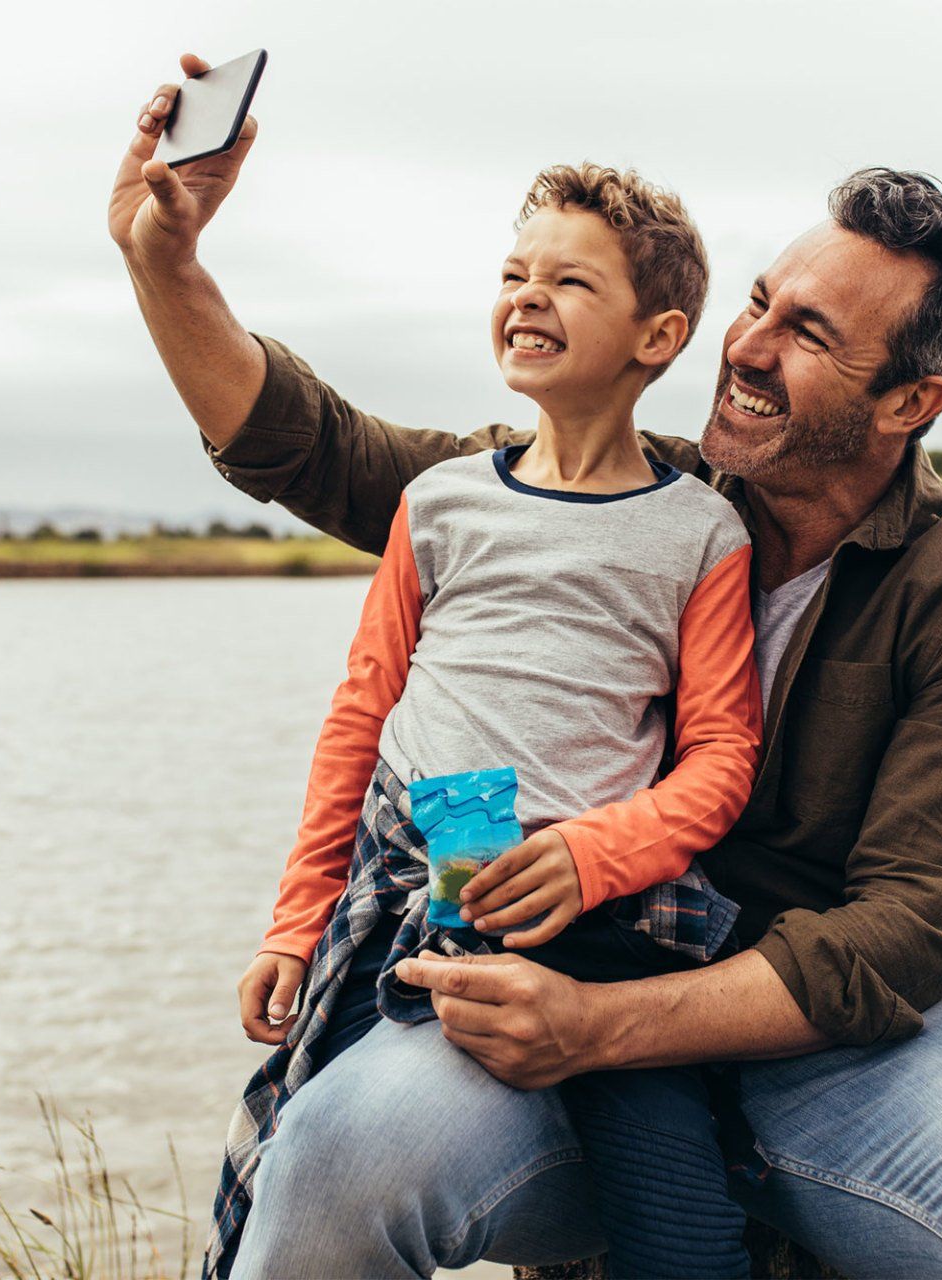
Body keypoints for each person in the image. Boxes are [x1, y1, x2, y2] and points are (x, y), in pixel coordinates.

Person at [111, 52, 942, 1279]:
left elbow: (908, 933)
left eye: (806, 333)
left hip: (834, 1051)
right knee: (336, 1151)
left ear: (912, 400)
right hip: (553, 975)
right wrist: (167, 261)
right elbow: (315, 448)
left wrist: (602, 1025)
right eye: (757, 300)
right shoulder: (608, 489)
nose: (744, 345)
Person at [214, 159, 765, 1279]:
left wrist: (589, 855)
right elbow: (362, 714)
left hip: (606, 924)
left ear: (658, 338)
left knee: (688, 1236)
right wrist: (295, 918)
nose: (527, 295)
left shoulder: (703, 531)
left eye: (570, 281)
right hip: (415, 889)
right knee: (306, 1156)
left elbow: (722, 755)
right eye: (514, 273)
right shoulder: (444, 500)